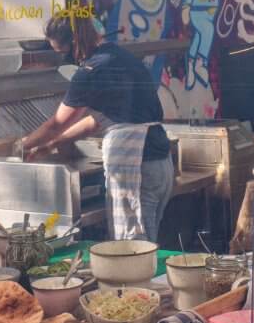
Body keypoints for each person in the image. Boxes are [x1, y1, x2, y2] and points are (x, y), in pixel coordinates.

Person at [21, 15, 174, 242]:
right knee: (146, 244)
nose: (64, 58)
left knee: (135, 248)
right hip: (160, 164)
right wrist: (54, 144)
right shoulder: (121, 57)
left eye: (62, 51)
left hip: (138, 166)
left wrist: (23, 145)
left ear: (75, 43)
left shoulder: (91, 71)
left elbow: (56, 124)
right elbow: (98, 120)